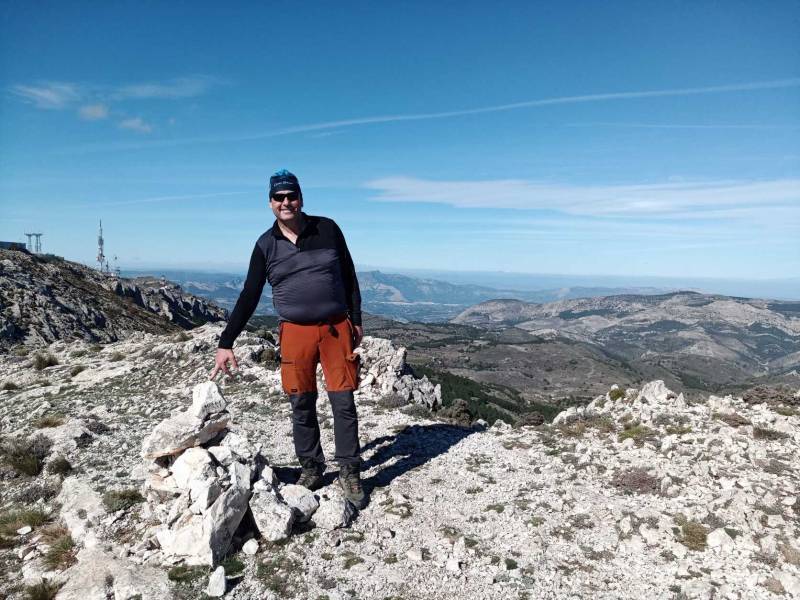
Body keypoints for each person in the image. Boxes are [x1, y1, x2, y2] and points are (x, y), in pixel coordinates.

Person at [210, 169, 365, 508]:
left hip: (337, 328)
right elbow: (249, 295)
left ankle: (350, 470)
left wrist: (357, 319)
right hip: (294, 332)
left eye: (291, 196)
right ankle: (311, 467)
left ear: (301, 198)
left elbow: (349, 275)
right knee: (301, 402)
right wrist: (226, 342)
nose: (286, 203)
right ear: (270, 203)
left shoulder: (327, 228)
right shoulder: (265, 245)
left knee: (343, 402)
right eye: (279, 198)